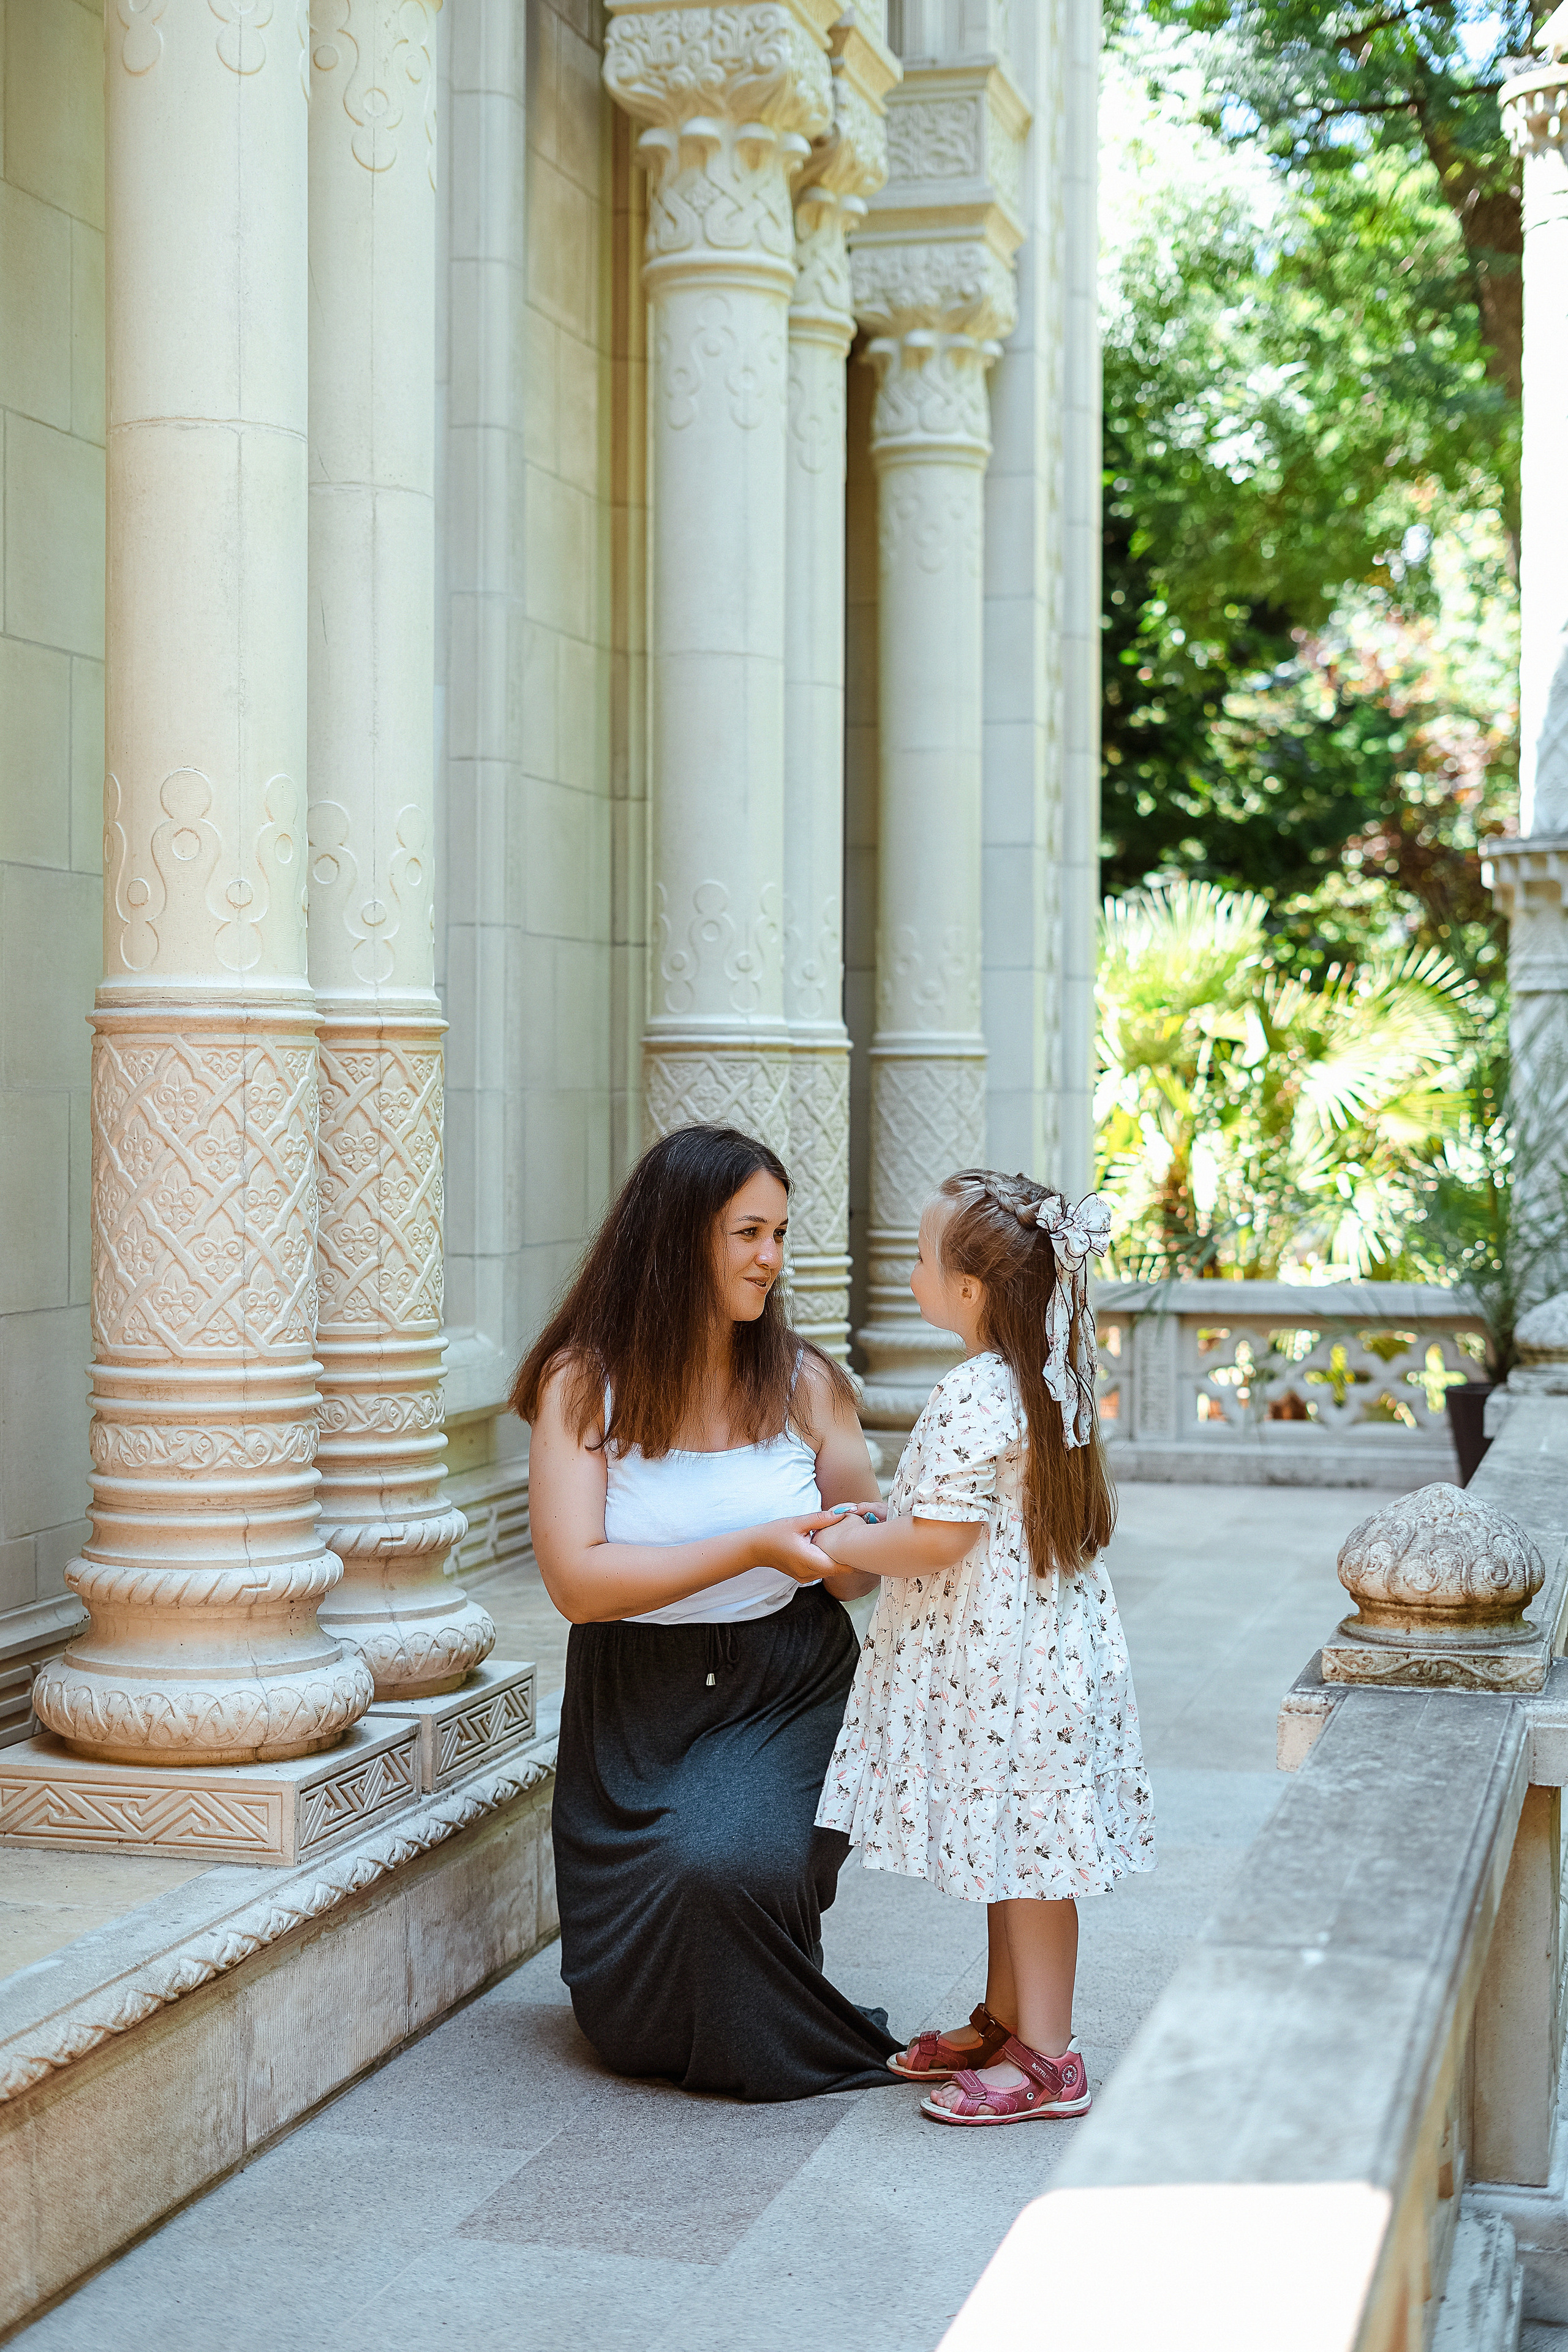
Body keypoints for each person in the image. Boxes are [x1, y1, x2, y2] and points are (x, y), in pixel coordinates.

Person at [512, 1123, 902, 2101]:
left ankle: (762, 1993)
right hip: (636, 1701)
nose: (772, 1258)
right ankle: (692, 2003)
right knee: (679, 1923)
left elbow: (851, 1571)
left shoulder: (806, 1382)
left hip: (787, 1678)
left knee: (727, 1862)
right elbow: (577, 1584)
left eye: (778, 1234)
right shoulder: (581, 1383)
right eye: (747, 1234)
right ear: (678, 1236)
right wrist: (755, 1543)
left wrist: (879, 1533)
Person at [811, 1169, 1156, 2127]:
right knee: (1015, 1844)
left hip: (1007, 1663)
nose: (911, 1272)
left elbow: (938, 1540)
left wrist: (840, 1541)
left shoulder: (979, 1387)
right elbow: (960, 1514)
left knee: (1034, 1858)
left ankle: (1050, 2058)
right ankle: (1009, 2021)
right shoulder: (1047, 1373)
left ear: (971, 1291)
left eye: (922, 1259)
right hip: (1035, 1654)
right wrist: (884, 1516)